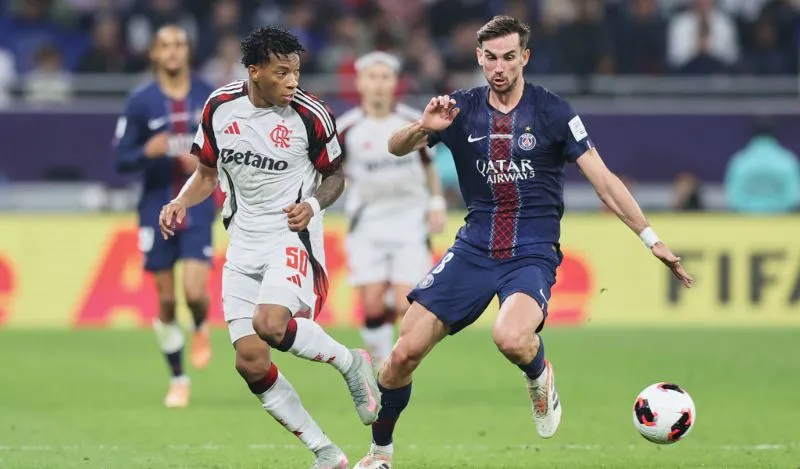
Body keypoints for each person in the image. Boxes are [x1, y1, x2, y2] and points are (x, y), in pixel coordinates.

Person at [353, 16, 694, 469]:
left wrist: (651, 238)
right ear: (479, 57)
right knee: (400, 356)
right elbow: (395, 148)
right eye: (491, 58)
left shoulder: (553, 111)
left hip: (531, 252)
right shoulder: (459, 108)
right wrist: (421, 127)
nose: (499, 67)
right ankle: (380, 454)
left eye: (509, 57)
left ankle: (539, 375)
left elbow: (604, 181)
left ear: (525, 57)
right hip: (473, 249)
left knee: (511, 337)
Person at [158, 26, 380, 469]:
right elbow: (206, 175)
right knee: (250, 361)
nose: (293, 81)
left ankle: (350, 362)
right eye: (282, 73)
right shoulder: (220, 107)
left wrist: (312, 205)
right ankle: (326, 452)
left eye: (296, 71)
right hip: (243, 243)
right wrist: (180, 201)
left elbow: (335, 176)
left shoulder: (312, 114)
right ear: (254, 71)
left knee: (270, 324)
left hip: (290, 235)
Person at [114, 25, 215, 408]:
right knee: (168, 301)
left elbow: (229, 147)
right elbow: (121, 159)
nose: (172, 52)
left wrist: (204, 160)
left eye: (179, 45)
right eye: (165, 46)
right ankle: (178, 378)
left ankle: (201, 325)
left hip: (198, 205)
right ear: (154, 54)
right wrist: (148, 151)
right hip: (154, 206)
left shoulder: (208, 95)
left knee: (194, 292)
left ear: (187, 51)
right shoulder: (140, 101)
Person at [338, 51, 447, 367]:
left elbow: (429, 166)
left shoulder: (413, 122)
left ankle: (393, 364)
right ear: (360, 83)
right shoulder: (347, 128)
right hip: (367, 222)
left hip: (409, 221)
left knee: (405, 304)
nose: (378, 84)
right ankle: (382, 365)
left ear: (394, 83)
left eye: (384, 77)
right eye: (372, 77)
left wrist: (436, 203)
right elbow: (333, 172)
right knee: (372, 305)